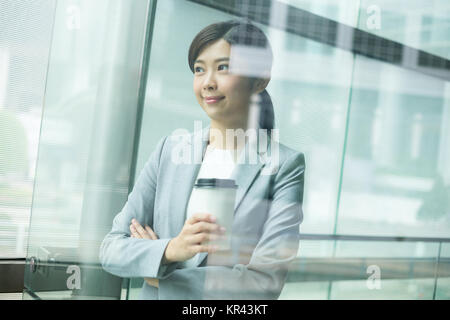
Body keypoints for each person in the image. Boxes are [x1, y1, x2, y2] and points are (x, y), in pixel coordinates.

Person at [99, 19, 306, 300]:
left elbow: (264, 283)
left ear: (259, 79)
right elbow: (112, 248)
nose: (208, 82)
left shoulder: (284, 165)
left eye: (223, 68)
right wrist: (172, 249)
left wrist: (159, 273)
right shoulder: (169, 151)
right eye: (199, 69)